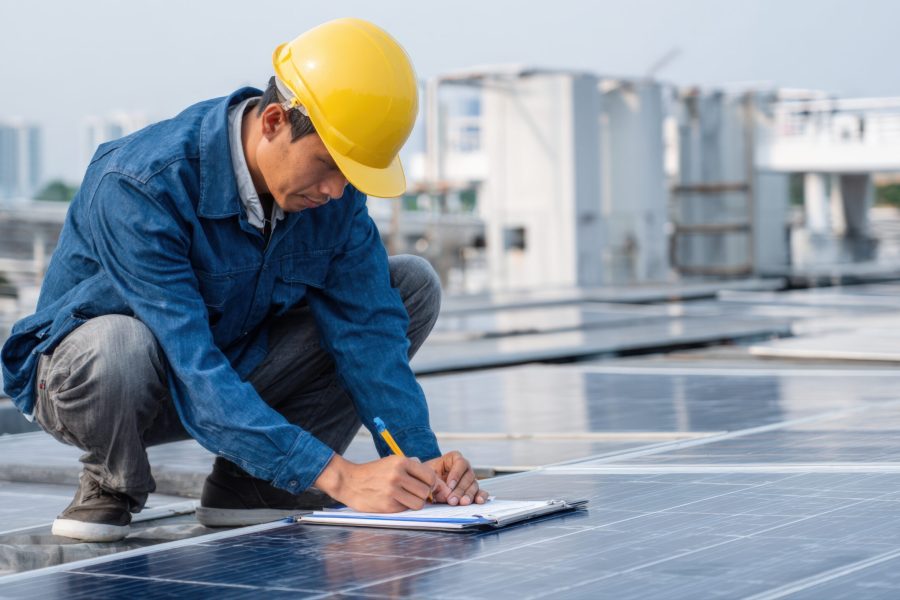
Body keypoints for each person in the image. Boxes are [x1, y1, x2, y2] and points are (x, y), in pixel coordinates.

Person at [0, 17, 487, 543]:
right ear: (274, 120)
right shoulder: (144, 184)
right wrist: (339, 476)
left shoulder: (335, 198)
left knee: (410, 285)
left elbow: (368, 332)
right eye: (327, 165)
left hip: (227, 366)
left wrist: (422, 464)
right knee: (119, 344)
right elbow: (193, 365)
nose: (336, 191)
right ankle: (112, 481)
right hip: (101, 386)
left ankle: (253, 486)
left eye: (352, 176)